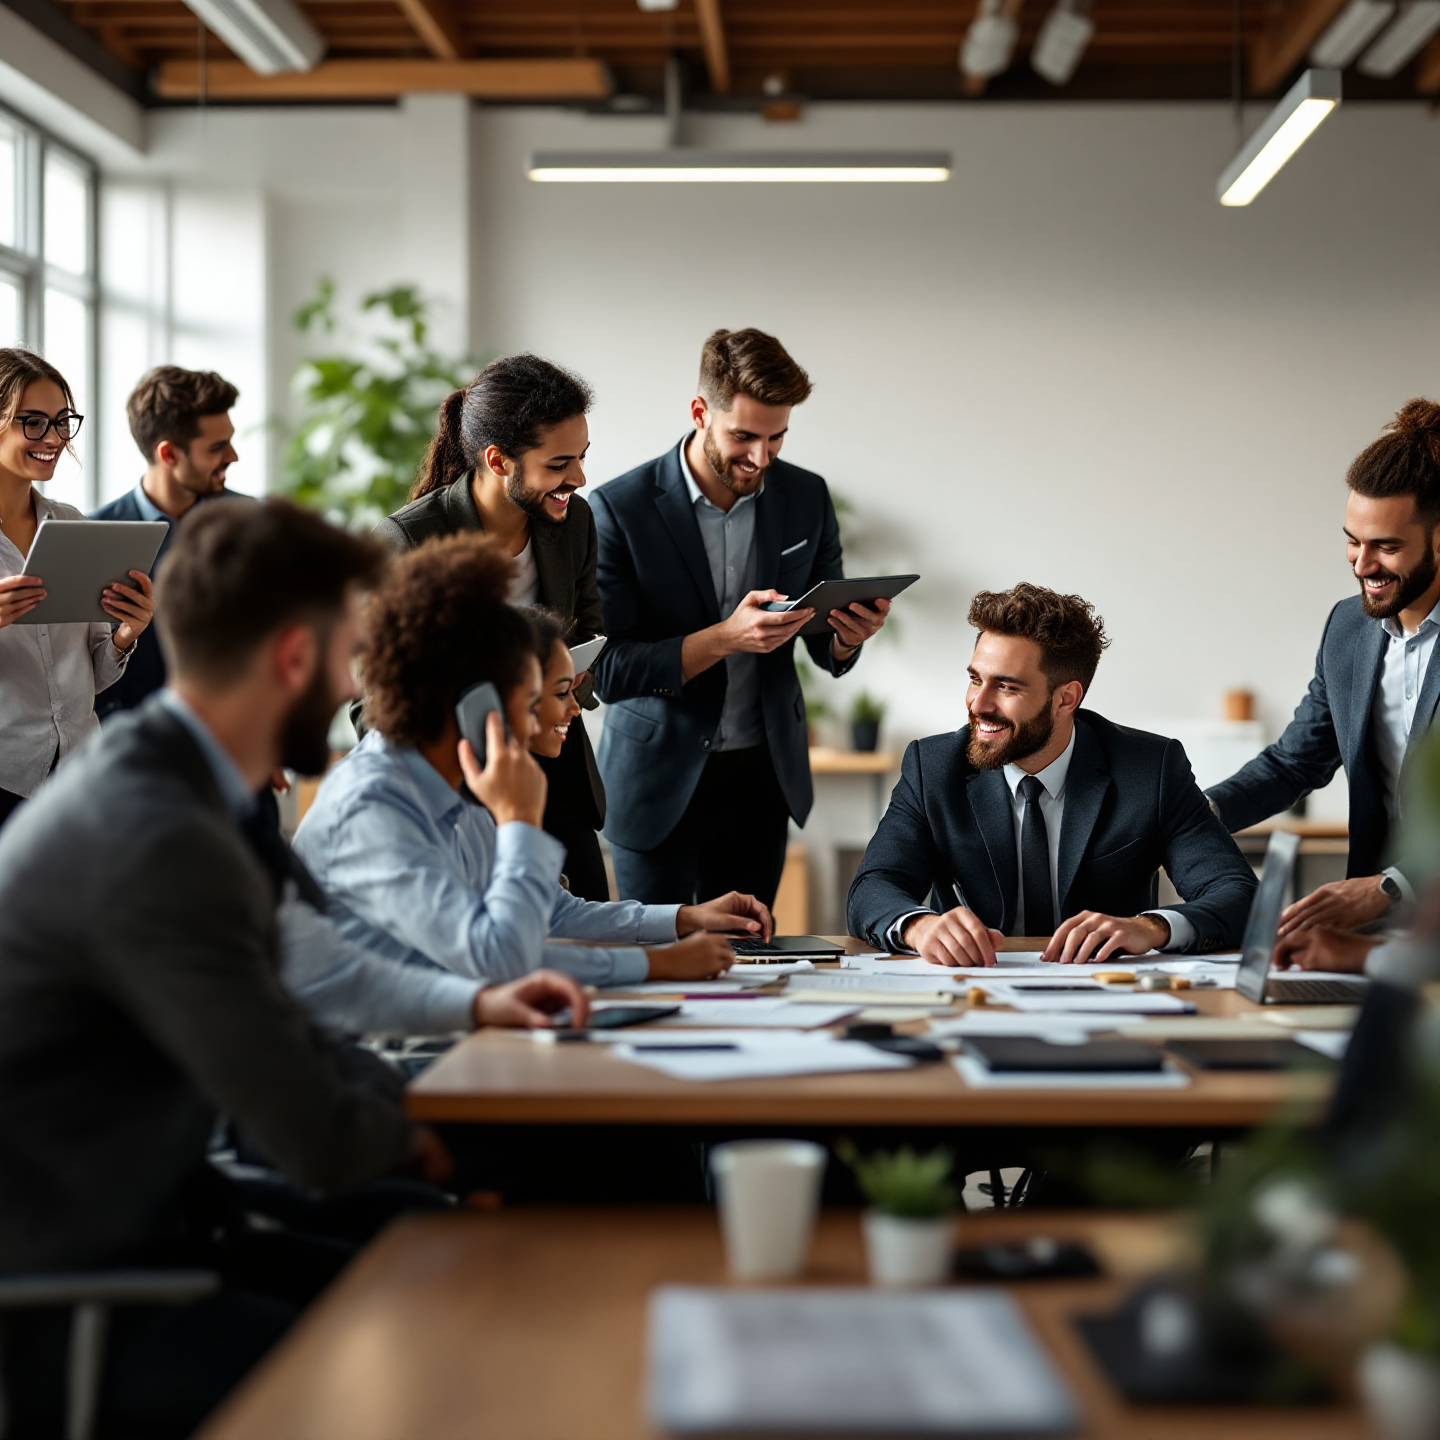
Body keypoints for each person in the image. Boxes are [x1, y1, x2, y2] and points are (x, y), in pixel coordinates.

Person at [0, 499, 476, 1439]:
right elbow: (309, 1133)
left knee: (442, 1245)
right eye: (348, 654)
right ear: (294, 658)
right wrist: (419, 1135)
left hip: (156, 1216)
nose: (353, 684)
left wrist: (406, 1125)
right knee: (440, 1338)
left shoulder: (171, 778)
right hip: (69, 1298)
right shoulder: (157, 834)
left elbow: (289, 1027)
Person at [294, 532, 771, 990]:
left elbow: (550, 913)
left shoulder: (458, 789)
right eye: (543, 696)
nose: (566, 711)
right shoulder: (374, 805)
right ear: (479, 703)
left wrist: (684, 919)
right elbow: (494, 956)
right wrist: (519, 820)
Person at [592, 327, 889, 908]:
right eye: (744, 436)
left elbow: (823, 641)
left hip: (761, 784)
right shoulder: (618, 509)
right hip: (655, 785)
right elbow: (608, 671)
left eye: (777, 438)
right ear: (700, 412)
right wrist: (726, 637)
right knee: (662, 955)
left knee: (751, 954)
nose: (761, 458)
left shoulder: (807, 496)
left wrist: (847, 640)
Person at [847, 583, 1257, 966]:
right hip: (973, 989)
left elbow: (1237, 893)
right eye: (975, 680)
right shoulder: (933, 767)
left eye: (1007, 687)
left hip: (1107, 993)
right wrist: (919, 927)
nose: (978, 704)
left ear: (1066, 699)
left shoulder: (1151, 769)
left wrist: (1150, 928)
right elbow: (873, 887)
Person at [370, 356, 611, 900]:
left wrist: (572, 680)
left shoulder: (574, 520)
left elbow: (587, 629)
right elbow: (375, 703)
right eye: (559, 464)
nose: (578, 478)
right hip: (456, 790)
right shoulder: (409, 541)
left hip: (555, 776)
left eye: (582, 457)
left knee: (594, 930)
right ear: (498, 460)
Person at [1209, 401, 1440, 941]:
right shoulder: (1347, 628)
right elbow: (1295, 763)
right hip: (1382, 933)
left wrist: (1392, 886)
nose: (1362, 565)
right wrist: (1197, 813)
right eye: (1353, 541)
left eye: (1386, 546)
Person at [0, 348, 154, 827]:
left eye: (62, 421)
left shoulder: (71, 526)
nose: (54, 438)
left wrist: (126, 634)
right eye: (33, 422)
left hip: (80, 777)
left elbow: (91, 675)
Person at [89, 365, 243, 719]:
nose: (232, 456)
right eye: (217, 447)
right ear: (169, 454)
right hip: (128, 738)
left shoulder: (249, 523)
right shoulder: (95, 534)